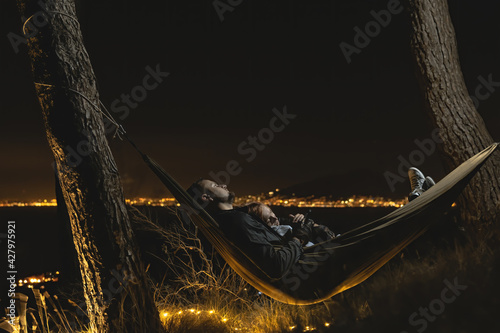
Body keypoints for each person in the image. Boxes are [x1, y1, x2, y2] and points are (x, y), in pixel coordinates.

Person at [186, 167, 434, 279]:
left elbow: (270, 230)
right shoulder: (235, 222)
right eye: (216, 185)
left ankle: (420, 200)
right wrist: (300, 237)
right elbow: (275, 266)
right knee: (377, 237)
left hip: (310, 255)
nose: (224, 185)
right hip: (306, 266)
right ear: (206, 197)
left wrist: (294, 224)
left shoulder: (239, 216)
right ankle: (419, 202)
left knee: (377, 237)